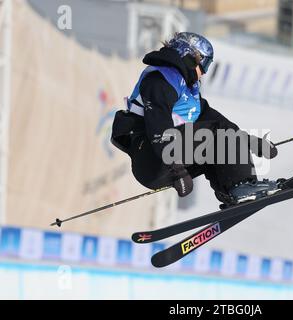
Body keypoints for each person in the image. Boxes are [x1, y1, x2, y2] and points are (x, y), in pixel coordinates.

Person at [111, 32, 281, 207]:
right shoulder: (160, 80)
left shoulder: (186, 89)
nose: (204, 72)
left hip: (166, 159)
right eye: (204, 64)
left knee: (219, 138)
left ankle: (233, 190)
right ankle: (241, 188)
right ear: (190, 58)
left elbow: (220, 123)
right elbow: (159, 129)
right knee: (215, 133)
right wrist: (176, 171)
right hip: (150, 159)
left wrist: (250, 142)